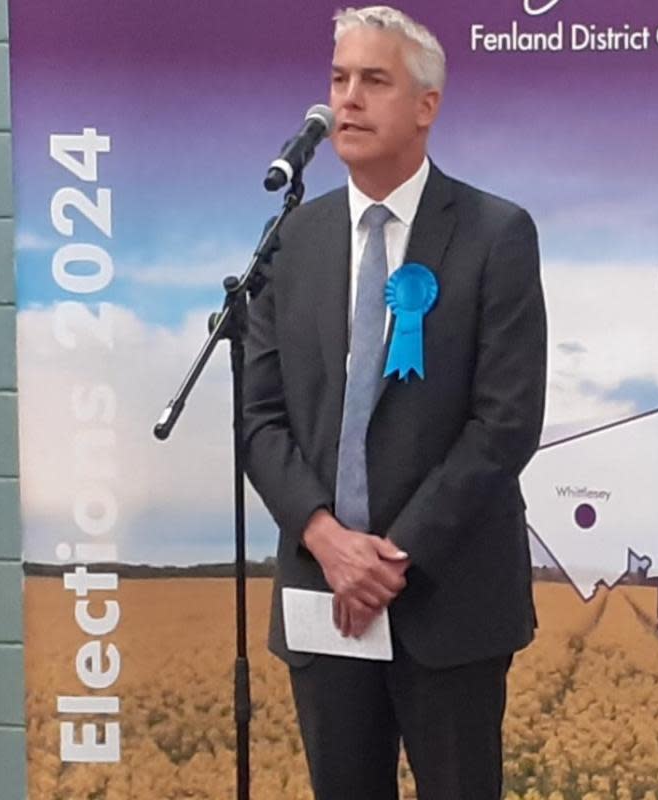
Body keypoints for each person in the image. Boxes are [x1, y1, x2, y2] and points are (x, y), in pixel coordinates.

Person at [242, 6, 547, 799]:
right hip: (322, 596)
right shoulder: (291, 243)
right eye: (339, 80)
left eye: (373, 81)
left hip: (448, 603)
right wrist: (327, 540)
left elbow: (505, 422)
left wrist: (391, 556)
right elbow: (260, 420)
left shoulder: (495, 234)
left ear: (426, 105)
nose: (348, 100)